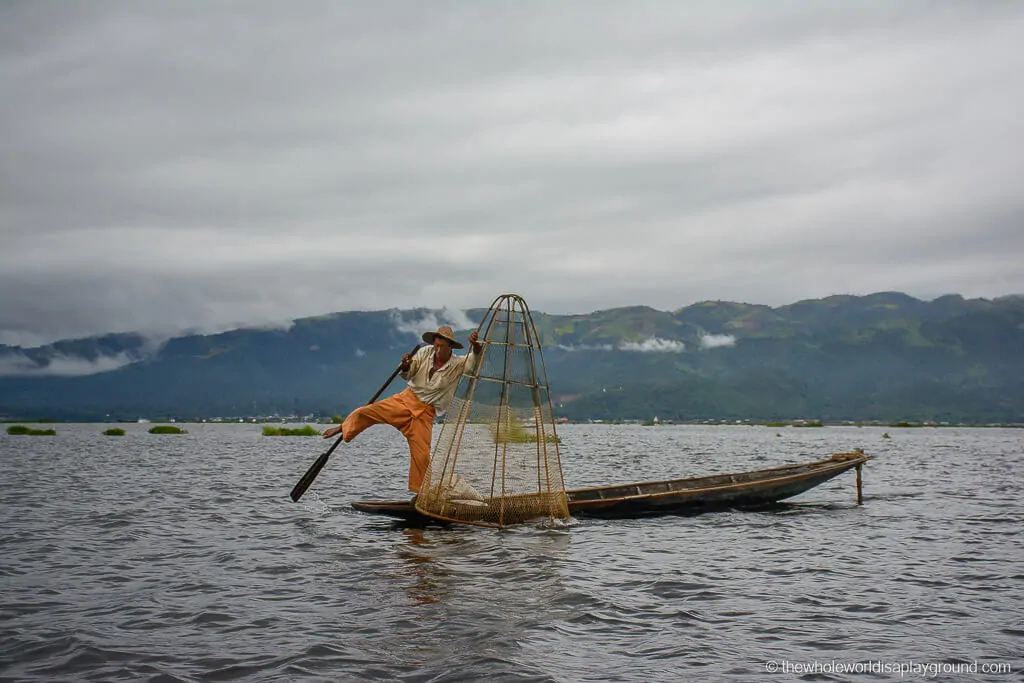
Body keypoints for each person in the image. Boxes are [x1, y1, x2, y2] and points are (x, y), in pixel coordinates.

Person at [322, 325, 482, 495]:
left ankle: (422, 496)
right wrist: (405, 365)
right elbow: (408, 373)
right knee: (365, 412)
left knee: (422, 457)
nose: (438, 349)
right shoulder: (424, 352)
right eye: (436, 345)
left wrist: (476, 345)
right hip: (405, 400)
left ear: (450, 347)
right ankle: (343, 427)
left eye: (442, 346)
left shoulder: (457, 364)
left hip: (423, 414)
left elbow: (473, 362)